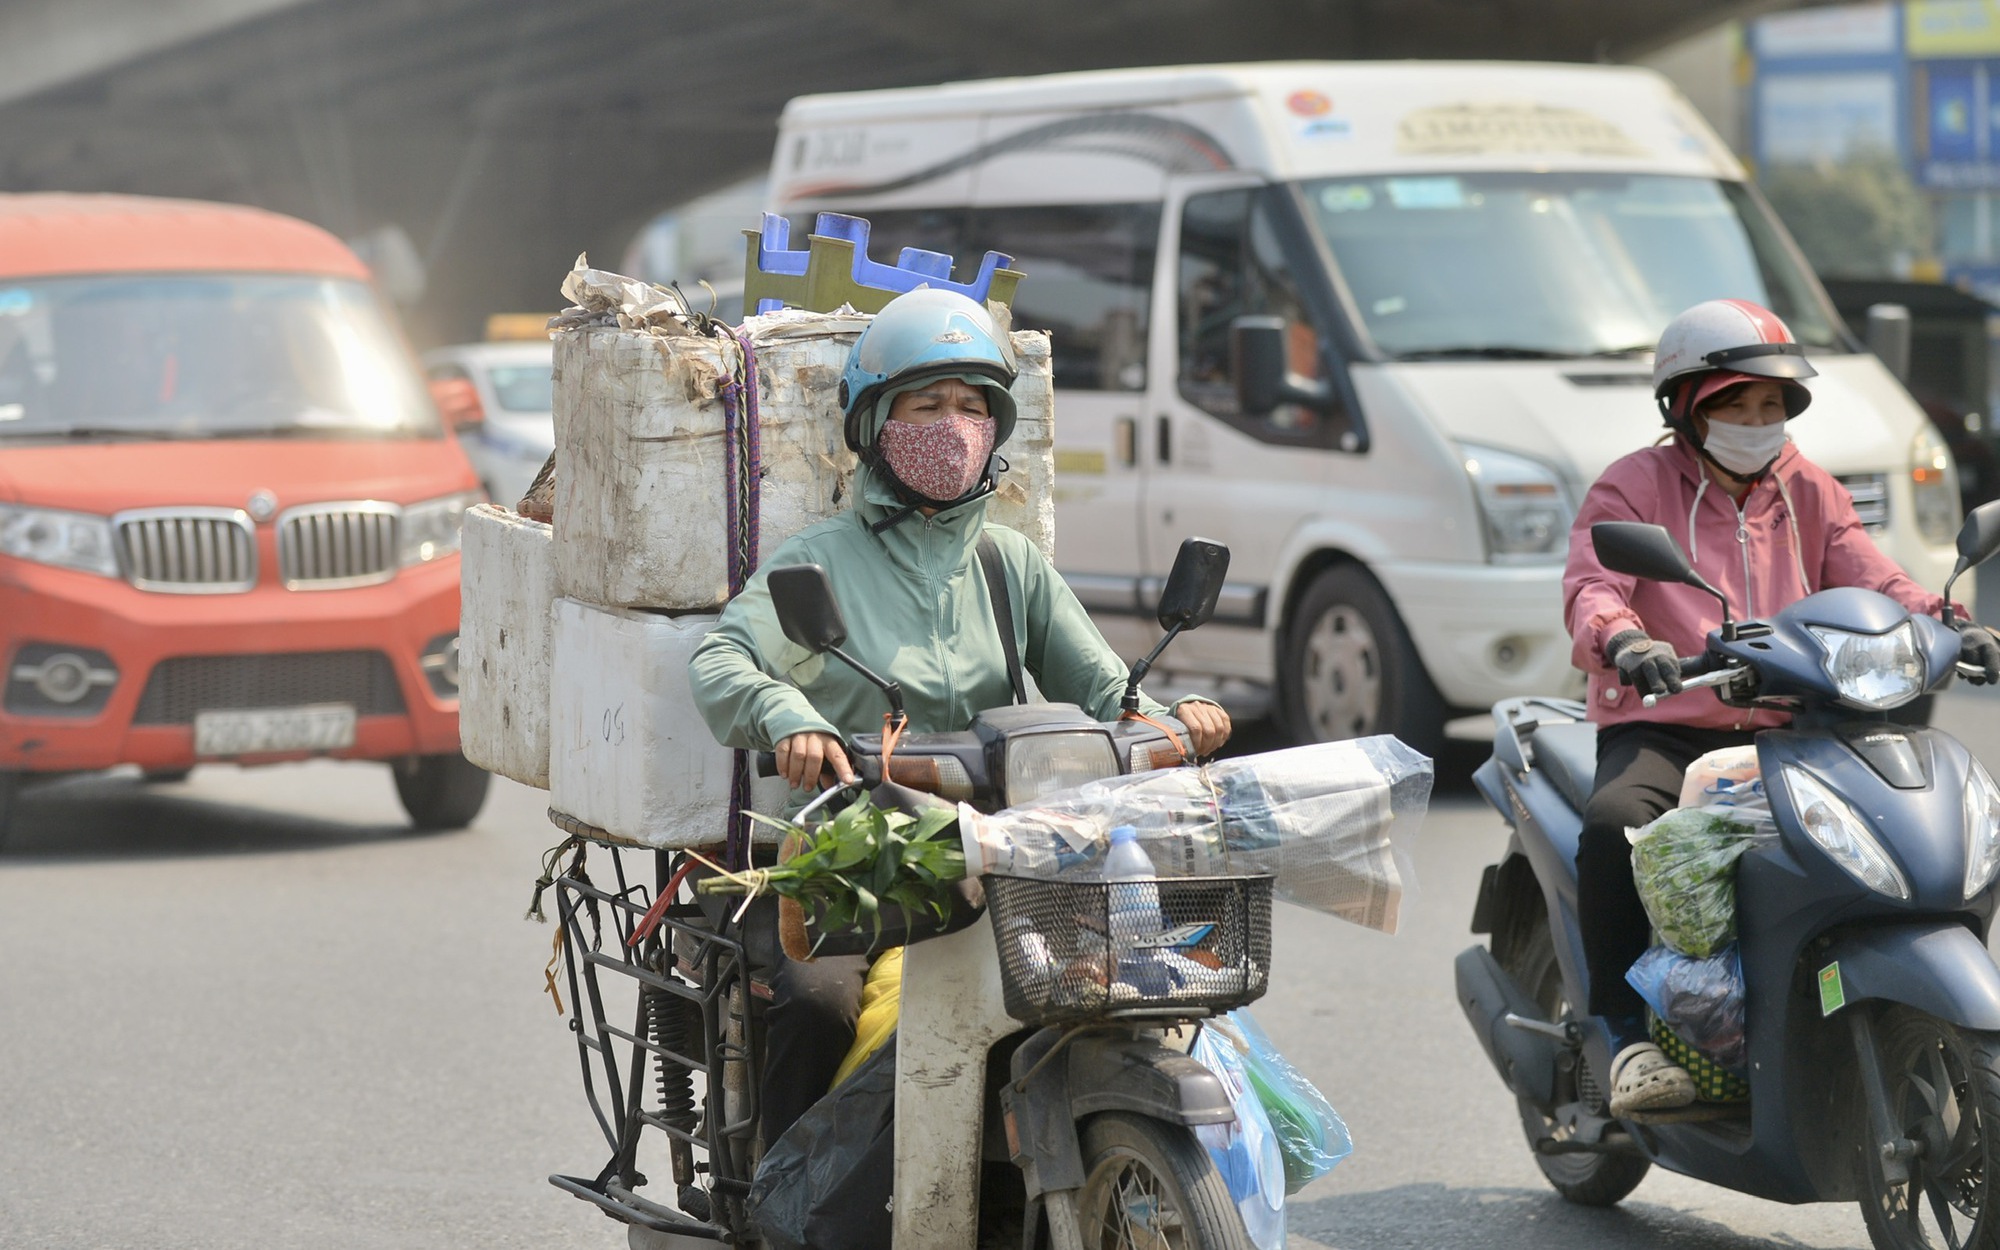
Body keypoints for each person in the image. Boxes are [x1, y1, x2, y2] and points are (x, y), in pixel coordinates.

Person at [687, 287, 1232, 1143]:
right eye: (927, 404)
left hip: (999, 852)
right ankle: (788, 1201)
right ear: (874, 424)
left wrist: (1174, 723)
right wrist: (790, 718)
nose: (954, 425)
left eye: (973, 406)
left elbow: (1106, 691)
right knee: (816, 1008)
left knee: (1135, 981)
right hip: (850, 860)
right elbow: (724, 659)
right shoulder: (820, 561)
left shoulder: (1008, 565)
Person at [1563, 298, 2000, 1118]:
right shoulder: (1634, 485)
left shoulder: (1808, 489)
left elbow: (1877, 576)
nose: (1759, 421)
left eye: (1773, 405)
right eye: (1737, 403)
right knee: (1612, 822)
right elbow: (1594, 585)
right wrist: (1628, 642)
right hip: (1673, 720)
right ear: (1687, 406)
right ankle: (1624, 1037)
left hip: (1799, 722)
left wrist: (1954, 624)